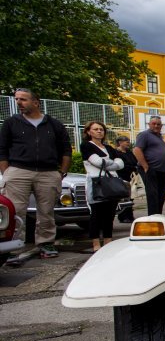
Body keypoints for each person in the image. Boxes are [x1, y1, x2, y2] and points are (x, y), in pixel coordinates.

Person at [0, 88, 71, 258]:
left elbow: (65, 150)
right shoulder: (11, 123)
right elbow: (2, 149)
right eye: (17, 99)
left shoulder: (54, 125)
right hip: (19, 171)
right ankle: (12, 248)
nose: (19, 102)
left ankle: (46, 243)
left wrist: (62, 172)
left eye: (23, 99)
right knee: (15, 211)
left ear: (36, 102)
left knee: (46, 211)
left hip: (48, 172)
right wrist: (6, 172)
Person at [80, 121, 125, 252]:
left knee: (109, 215)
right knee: (96, 214)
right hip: (96, 183)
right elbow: (97, 162)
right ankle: (95, 243)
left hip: (111, 183)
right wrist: (111, 163)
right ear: (89, 132)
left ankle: (108, 241)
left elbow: (121, 163)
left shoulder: (109, 148)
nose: (99, 131)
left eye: (101, 129)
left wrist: (107, 163)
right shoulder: (87, 146)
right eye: (95, 129)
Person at [133, 115, 165, 215]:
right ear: (149, 124)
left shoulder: (160, 137)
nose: (156, 126)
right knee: (153, 196)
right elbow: (137, 150)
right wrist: (145, 166)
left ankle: (158, 216)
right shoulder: (144, 135)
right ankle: (153, 217)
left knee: (161, 196)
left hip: (161, 171)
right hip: (150, 169)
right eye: (154, 124)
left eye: (158, 124)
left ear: (161, 126)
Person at [114, 136, 138, 223]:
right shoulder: (116, 152)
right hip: (122, 177)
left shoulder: (129, 152)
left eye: (128, 141)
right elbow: (120, 165)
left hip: (131, 177)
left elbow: (135, 161)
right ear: (120, 142)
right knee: (123, 197)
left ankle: (130, 216)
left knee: (131, 197)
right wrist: (131, 167)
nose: (128, 143)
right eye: (126, 141)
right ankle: (123, 216)